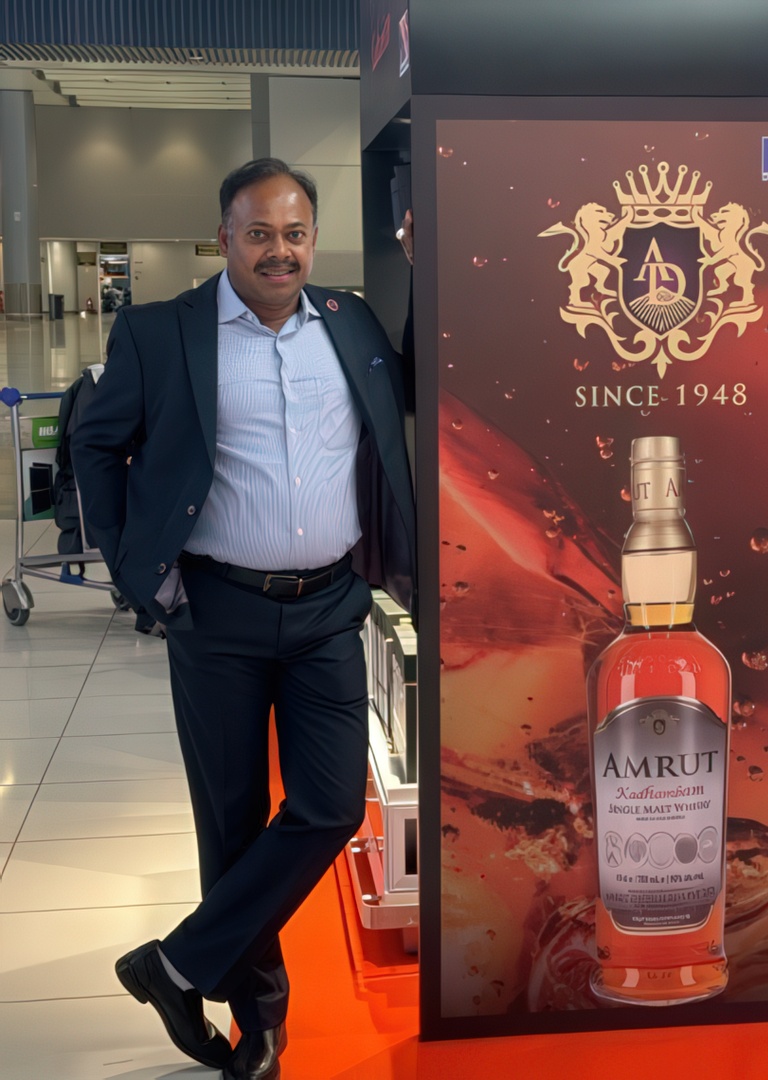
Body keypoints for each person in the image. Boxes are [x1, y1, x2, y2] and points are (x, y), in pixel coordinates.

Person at [72, 158, 416, 1080]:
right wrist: (136, 571)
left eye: (294, 233)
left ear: (314, 238)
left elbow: (414, 387)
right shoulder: (161, 331)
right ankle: (261, 1022)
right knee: (230, 820)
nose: (279, 251)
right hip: (215, 608)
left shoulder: (349, 323)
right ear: (224, 236)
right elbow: (95, 444)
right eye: (259, 233)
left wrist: (425, 272)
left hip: (329, 606)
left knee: (330, 807)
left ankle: (176, 965)